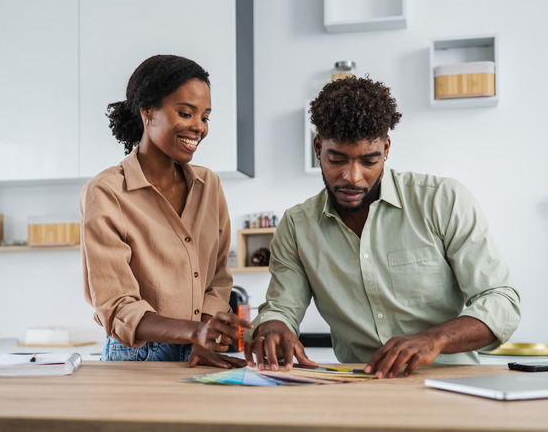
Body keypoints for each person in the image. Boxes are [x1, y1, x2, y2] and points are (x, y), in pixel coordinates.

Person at [244, 76, 521, 378]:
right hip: (360, 386)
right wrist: (273, 327)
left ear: (386, 148)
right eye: (336, 159)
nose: (352, 177)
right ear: (318, 147)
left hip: (448, 382)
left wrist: (435, 339)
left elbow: (500, 300)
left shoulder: (442, 200)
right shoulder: (297, 227)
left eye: (368, 161)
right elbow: (281, 309)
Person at [80, 54, 251, 368]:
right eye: (186, 113)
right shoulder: (106, 192)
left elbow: (218, 278)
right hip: (138, 355)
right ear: (147, 111)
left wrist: (204, 336)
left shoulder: (209, 185)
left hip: (199, 351)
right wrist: (195, 331)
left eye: (205, 117)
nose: (198, 127)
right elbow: (116, 305)